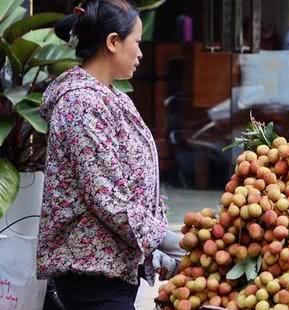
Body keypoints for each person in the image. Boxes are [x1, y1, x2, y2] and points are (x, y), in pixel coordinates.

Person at [36, 1, 185, 309]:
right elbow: (108, 199)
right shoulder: (80, 104)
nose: (141, 53)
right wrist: (172, 242)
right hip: (90, 282)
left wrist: (152, 252)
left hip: (113, 276)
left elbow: (126, 188)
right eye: (137, 43)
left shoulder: (113, 98)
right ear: (113, 42)